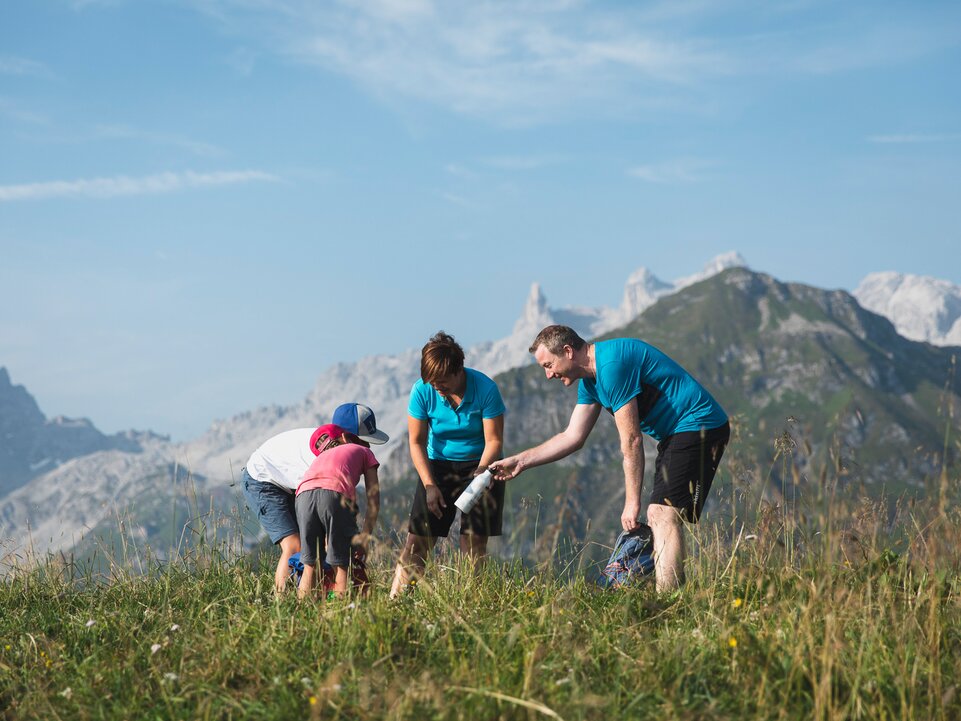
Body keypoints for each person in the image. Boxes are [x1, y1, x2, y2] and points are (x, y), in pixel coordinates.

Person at [489, 325, 729, 592]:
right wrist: (521, 461)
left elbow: (632, 440)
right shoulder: (590, 382)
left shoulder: (611, 366)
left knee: (661, 513)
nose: (548, 375)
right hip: (676, 435)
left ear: (567, 351)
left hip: (699, 425)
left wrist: (631, 503)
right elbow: (572, 437)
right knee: (662, 515)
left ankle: (671, 603)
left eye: (548, 365)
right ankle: (667, 593)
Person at [389, 332, 506, 597]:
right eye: (433, 383)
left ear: (458, 371)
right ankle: (397, 599)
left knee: (473, 540)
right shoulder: (422, 390)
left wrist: (481, 474)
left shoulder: (486, 389)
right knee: (418, 539)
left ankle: (471, 598)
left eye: (443, 383)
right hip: (437, 466)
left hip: (481, 464)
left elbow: (495, 440)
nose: (438, 388)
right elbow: (416, 442)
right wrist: (430, 485)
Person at [241, 403, 388, 593]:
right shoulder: (319, 458)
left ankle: (311, 601)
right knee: (295, 547)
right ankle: (283, 606)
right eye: (362, 442)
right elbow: (328, 506)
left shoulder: (330, 444)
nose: (367, 447)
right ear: (344, 437)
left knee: (313, 553)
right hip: (262, 479)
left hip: (298, 487)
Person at [295, 423, 380, 600]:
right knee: (342, 563)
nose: (368, 445)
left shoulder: (321, 457)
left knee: (310, 562)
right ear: (347, 438)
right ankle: (341, 613)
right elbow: (373, 500)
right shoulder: (364, 451)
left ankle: (299, 613)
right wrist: (364, 538)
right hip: (334, 493)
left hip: (302, 495)